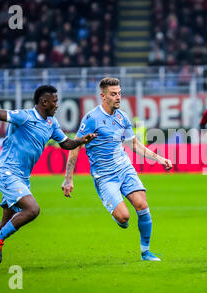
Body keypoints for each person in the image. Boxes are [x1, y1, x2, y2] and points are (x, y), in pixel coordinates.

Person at [0, 85, 95, 269]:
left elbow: (65, 143)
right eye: (55, 101)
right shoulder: (25, 116)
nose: (58, 105)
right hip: (8, 172)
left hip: (22, 177)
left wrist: (81, 141)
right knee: (32, 210)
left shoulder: (51, 123)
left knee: (6, 222)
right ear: (44, 102)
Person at [61, 78, 172, 261]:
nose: (118, 97)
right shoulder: (91, 119)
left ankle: (146, 252)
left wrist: (160, 159)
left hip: (124, 168)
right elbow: (75, 147)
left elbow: (134, 145)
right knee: (124, 218)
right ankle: (117, 215)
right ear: (103, 96)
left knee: (142, 205)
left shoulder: (122, 117)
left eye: (119, 93)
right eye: (114, 94)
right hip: (104, 176)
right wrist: (68, 178)